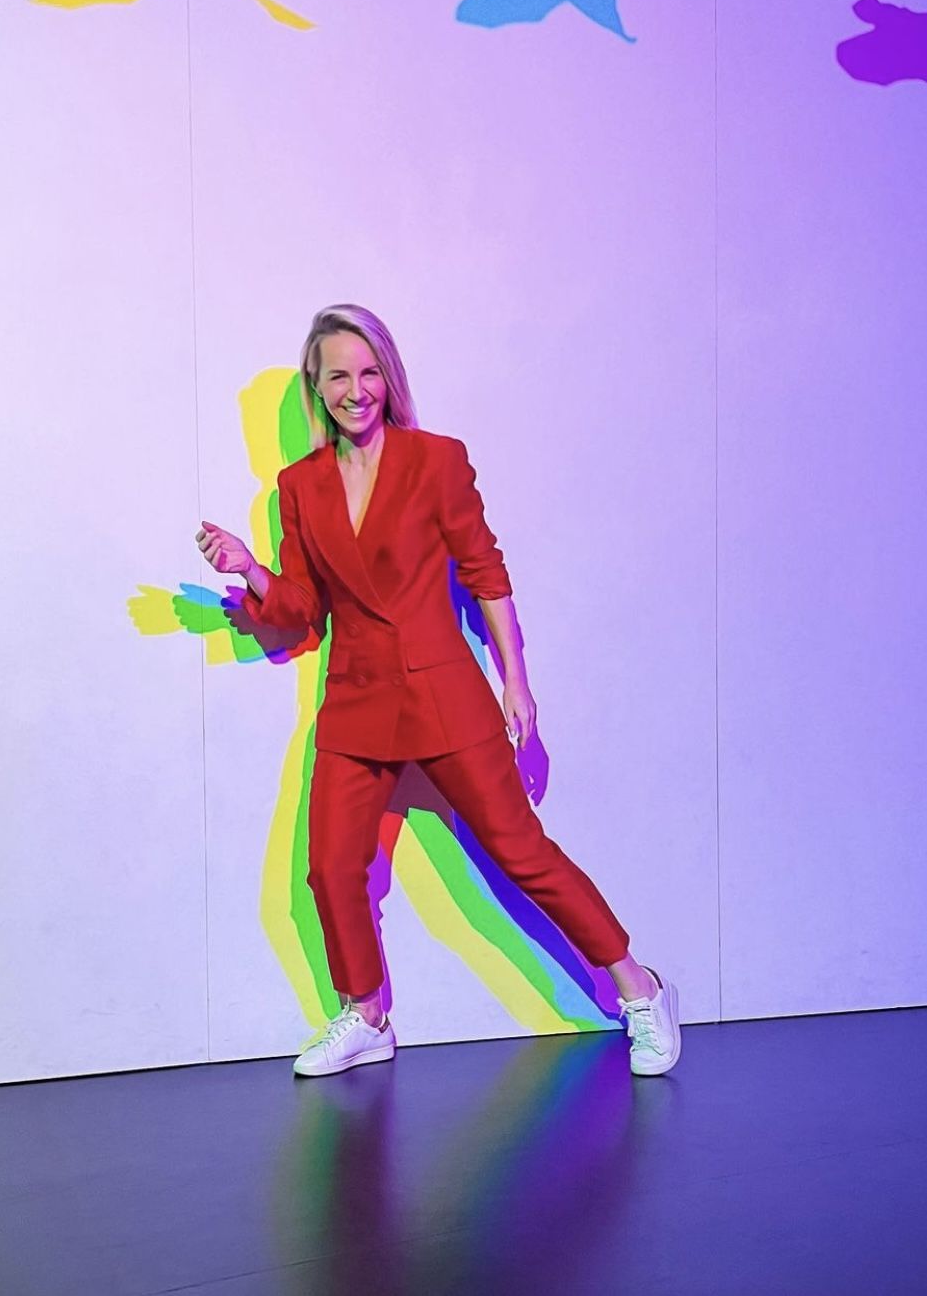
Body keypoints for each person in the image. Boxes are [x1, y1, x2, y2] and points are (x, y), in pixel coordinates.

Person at [195, 305, 681, 1078]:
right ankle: (365, 1014)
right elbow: (301, 609)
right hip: (354, 700)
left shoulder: (436, 460)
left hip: (443, 693)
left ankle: (641, 988)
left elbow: (485, 572)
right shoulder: (299, 486)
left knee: (520, 853)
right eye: (338, 376)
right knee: (329, 870)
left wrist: (516, 682)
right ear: (316, 385)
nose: (356, 390)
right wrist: (252, 570)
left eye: (369, 372)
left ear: (388, 377)